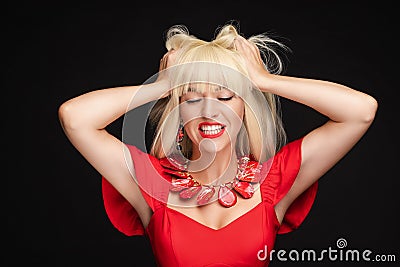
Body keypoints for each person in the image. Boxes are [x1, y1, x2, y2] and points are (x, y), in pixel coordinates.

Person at [58, 23, 378, 267]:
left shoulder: (275, 181)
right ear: (179, 110)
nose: (210, 111)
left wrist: (265, 81)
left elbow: (360, 112)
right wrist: (162, 86)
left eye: (225, 96)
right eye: (193, 98)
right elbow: (75, 118)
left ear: (244, 107)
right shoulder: (149, 182)